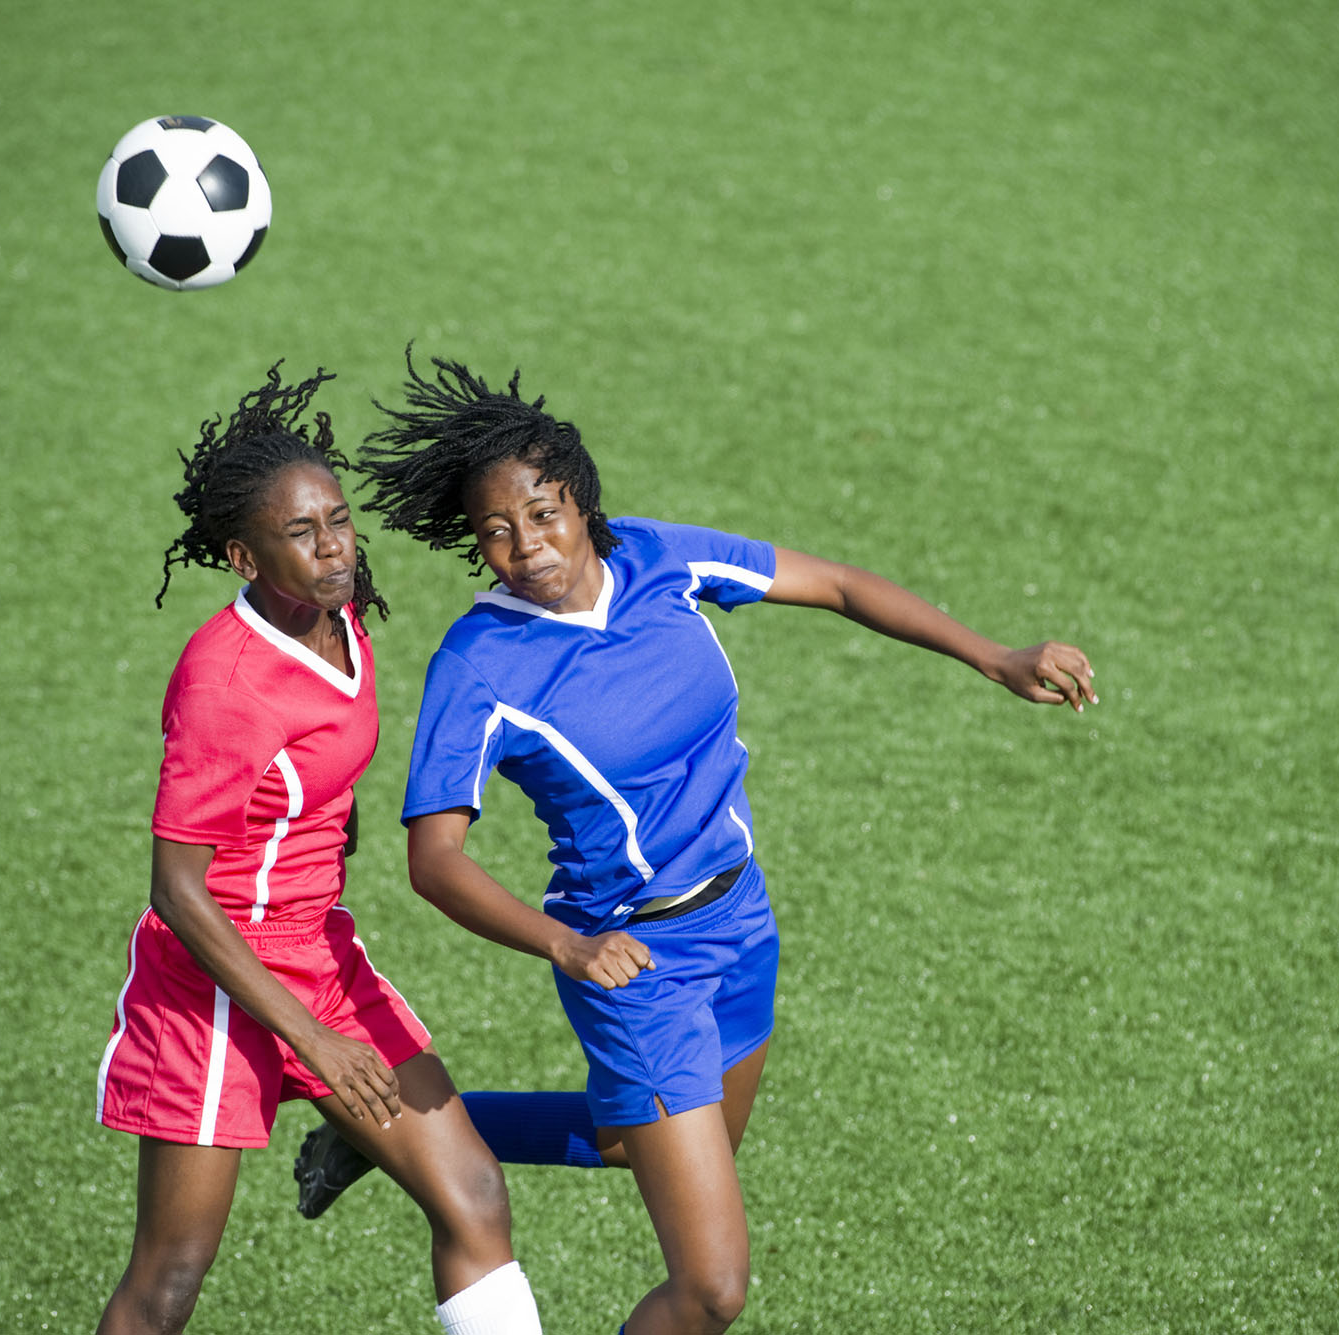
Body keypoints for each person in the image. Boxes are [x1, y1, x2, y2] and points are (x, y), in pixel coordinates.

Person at [293, 352, 1096, 1335]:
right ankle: (391, 1135)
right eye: (496, 531)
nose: (527, 547)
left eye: (543, 514)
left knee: (634, 1143)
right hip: (633, 966)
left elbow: (837, 584)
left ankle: (381, 1136)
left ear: (582, 505)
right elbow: (434, 860)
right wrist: (566, 945)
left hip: (741, 923)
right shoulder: (480, 662)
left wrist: (994, 655)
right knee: (710, 1290)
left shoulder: (657, 559)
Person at [94, 363, 542, 1335]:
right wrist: (311, 1040)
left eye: (336, 520)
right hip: (214, 986)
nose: (334, 548)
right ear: (243, 558)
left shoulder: (339, 616)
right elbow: (176, 889)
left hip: (316, 955)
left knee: (472, 1195)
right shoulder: (226, 682)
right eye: (301, 535)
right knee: (169, 1278)